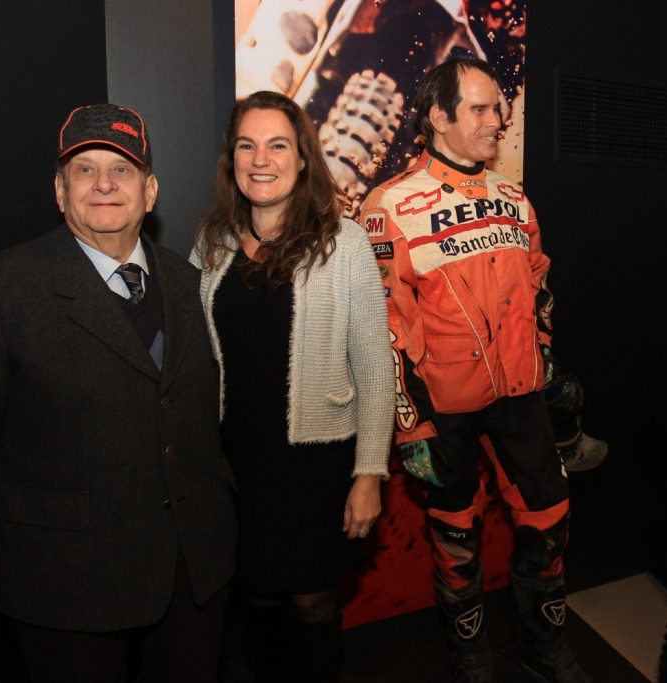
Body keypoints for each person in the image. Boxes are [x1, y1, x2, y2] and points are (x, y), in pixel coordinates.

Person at [0, 104, 237, 683]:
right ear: (60, 191)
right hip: (68, 574)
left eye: (122, 169)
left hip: (190, 567)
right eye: (85, 170)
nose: (105, 184)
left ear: (150, 191)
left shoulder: (188, 281)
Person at [360, 57, 588, 683]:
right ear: (439, 117)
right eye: (482, 109)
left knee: (550, 520)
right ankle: (471, 658)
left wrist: (542, 355)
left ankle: (545, 649)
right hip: (444, 408)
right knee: (456, 537)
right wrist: (411, 424)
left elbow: (539, 280)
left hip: (520, 397)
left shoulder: (514, 198)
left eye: (499, 108)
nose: (498, 121)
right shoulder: (390, 204)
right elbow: (386, 324)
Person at [189, 90, 393, 682]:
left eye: (277, 145)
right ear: (231, 158)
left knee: (312, 600)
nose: (261, 159)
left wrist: (369, 474)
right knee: (254, 594)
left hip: (316, 463)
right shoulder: (212, 243)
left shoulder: (344, 243)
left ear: (303, 158)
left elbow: (375, 365)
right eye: (246, 145)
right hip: (235, 463)